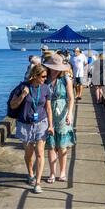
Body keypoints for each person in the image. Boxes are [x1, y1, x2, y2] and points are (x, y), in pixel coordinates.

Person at [10, 65, 53, 194]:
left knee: (40, 153)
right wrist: (23, 95)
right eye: (43, 77)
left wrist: (51, 125)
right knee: (29, 154)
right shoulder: (22, 87)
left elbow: (48, 108)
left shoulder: (45, 88)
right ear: (35, 76)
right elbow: (13, 105)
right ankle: (30, 174)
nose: (45, 79)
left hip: (41, 123)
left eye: (46, 77)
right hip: (25, 125)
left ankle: (38, 183)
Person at [43, 54, 76, 183]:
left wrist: (69, 113)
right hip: (47, 112)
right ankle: (52, 173)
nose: (56, 71)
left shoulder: (65, 78)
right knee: (51, 145)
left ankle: (62, 173)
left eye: (58, 68)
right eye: (54, 68)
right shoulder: (45, 79)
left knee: (62, 145)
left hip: (63, 112)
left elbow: (71, 98)